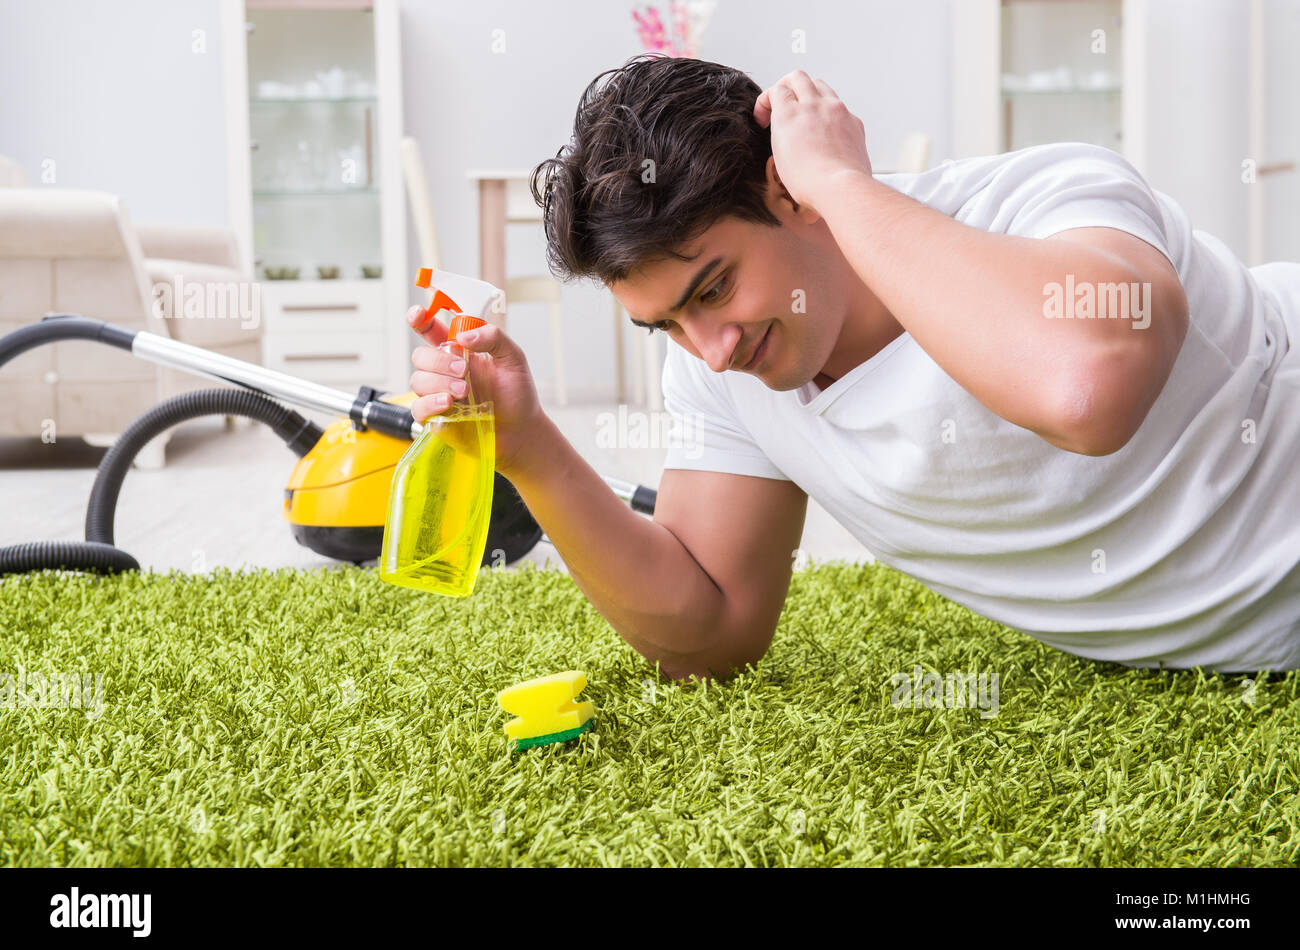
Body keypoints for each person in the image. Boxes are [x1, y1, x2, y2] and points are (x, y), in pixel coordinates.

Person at [406, 55, 1300, 680]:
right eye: (665, 324)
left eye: (714, 287)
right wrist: (525, 445)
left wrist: (843, 185)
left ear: (787, 190)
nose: (709, 346)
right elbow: (708, 630)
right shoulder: (720, 366)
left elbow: (1087, 387)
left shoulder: (1043, 197)